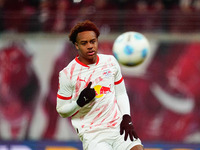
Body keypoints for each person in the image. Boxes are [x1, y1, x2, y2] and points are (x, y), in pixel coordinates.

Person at [56, 20, 143, 150]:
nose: (90, 46)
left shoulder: (110, 62)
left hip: (117, 126)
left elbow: (121, 93)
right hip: (92, 134)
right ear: (77, 45)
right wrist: (79, 103)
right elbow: (61, 110)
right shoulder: (67, 74)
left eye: (93, 41)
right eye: (84, 43)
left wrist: (126, 118)